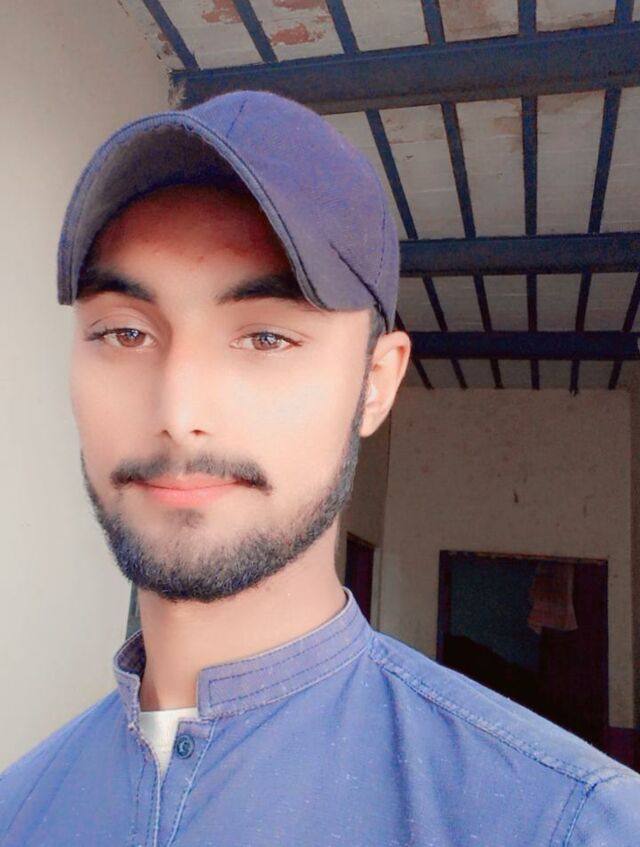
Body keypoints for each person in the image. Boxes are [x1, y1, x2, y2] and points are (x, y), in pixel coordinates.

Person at [1, 89, 639, 847]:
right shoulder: (18, 806)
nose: (178, 410)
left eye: (266, 338)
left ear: (375, 384)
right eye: (125, 333)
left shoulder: (569, 823)